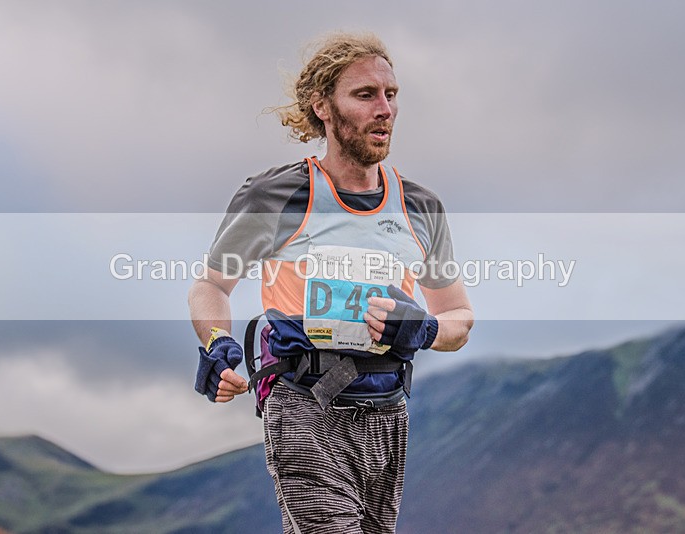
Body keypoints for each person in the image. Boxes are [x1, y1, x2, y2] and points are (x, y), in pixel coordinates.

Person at [189, 32, 473, 534]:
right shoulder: (276, 194)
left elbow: (458, 318)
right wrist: (217, 342)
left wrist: (424, 330)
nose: (385, 109)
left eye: (392, 94)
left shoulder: (421, 207)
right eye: (365, 95)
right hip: (303, 402)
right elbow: (211, 285)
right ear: (322, 106)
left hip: (387, 411)